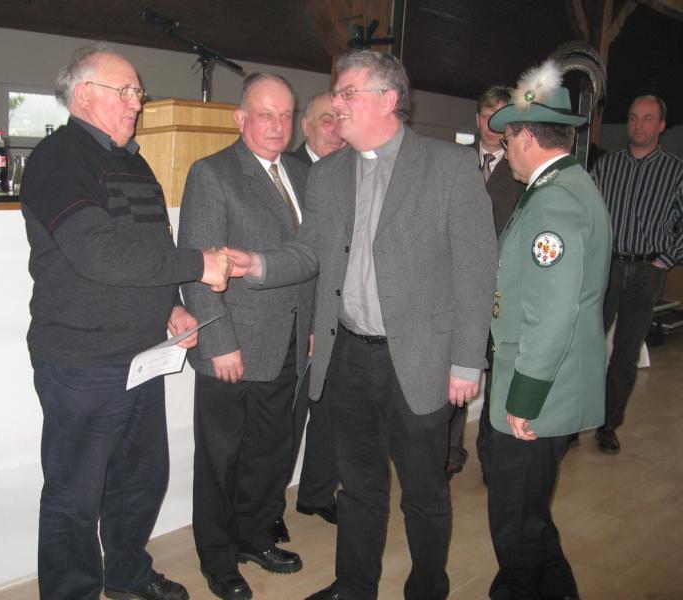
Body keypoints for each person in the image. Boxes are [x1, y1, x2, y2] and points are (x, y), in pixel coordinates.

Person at [226, 50, 497, 600]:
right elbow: (309, 251)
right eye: (337, 93)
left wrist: (468, 360)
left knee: (424, 492)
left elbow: (476, 270)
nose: (338, 104)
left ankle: (427, 588)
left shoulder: (448, 167)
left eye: (349, 93)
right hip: (348, 355)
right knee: (358, 486)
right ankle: (354, 586)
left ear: (388, 99)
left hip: (419, 358)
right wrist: (257, 264)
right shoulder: (328, 174)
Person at [20, 43, 231, 600]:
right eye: (127, 91)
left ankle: (127, 575)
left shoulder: (132, 161)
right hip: (83, 362)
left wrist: (171, 304)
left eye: (138, 92)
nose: (137, 101)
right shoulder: (59, 159)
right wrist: (199, 265)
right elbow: (100, 254)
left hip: (140, 355)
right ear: (84, 94)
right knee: (75, 495)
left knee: (139, 481)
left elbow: (147, 249)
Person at [177, 73, 314, 600]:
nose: (277, 125)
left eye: (285, 115)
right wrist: (218, 343)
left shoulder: (302, 172)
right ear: (240, 119)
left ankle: (254, 536)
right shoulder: (212, 173)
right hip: (233, 343)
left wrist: (312, 327)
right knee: (221, 459)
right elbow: (198, 265)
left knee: (271, 451)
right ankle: (218, 558)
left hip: (290, 340)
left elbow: (312, 258)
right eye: (265, 114)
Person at [485, 60, 612, 599]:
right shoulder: (568, 185)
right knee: (530, 516)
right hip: (550, 383)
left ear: (527, 138)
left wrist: (525, 398)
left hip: (537, 393)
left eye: (508, 138)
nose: (507, 150)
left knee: (515, 521)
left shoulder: (553, 201)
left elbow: (553, 310)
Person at [269, 92, 344, 543]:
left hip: (342, 315)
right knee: (286, 419)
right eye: (327, 120)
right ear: (306, 126)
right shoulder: (285, 171)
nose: (336, 129)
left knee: (332, 412)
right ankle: (268, 507)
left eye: (341, 119)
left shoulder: (352, 171)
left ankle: (316, 492)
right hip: (297, 318)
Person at [590, 94, 683, 454]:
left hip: (647, 271)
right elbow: (587, 212)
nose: (637, 125)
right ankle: (576, 418)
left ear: (661, 125)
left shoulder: (675, 172)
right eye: (632, 118)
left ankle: (607, 425)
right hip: (607, 267)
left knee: (625, 355)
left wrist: (665, 259)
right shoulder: (607, 166)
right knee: (587, 344)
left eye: (646, 119)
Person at [446, 85, 525, 480]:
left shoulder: (522, 168)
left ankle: (491, 453)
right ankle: (450, 450)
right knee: (455, 369)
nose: (494, 124)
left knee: (497, 375)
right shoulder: (453, 161)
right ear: (478, 120)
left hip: (502, 290)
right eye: (488, 115)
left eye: (502, 116)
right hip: (455, 288)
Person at [291, 92, 346, 165]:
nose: (337, 131)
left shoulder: (356, 167)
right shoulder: (286, 169)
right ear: (306, 126)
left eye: (342, 121)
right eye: (327, 121)